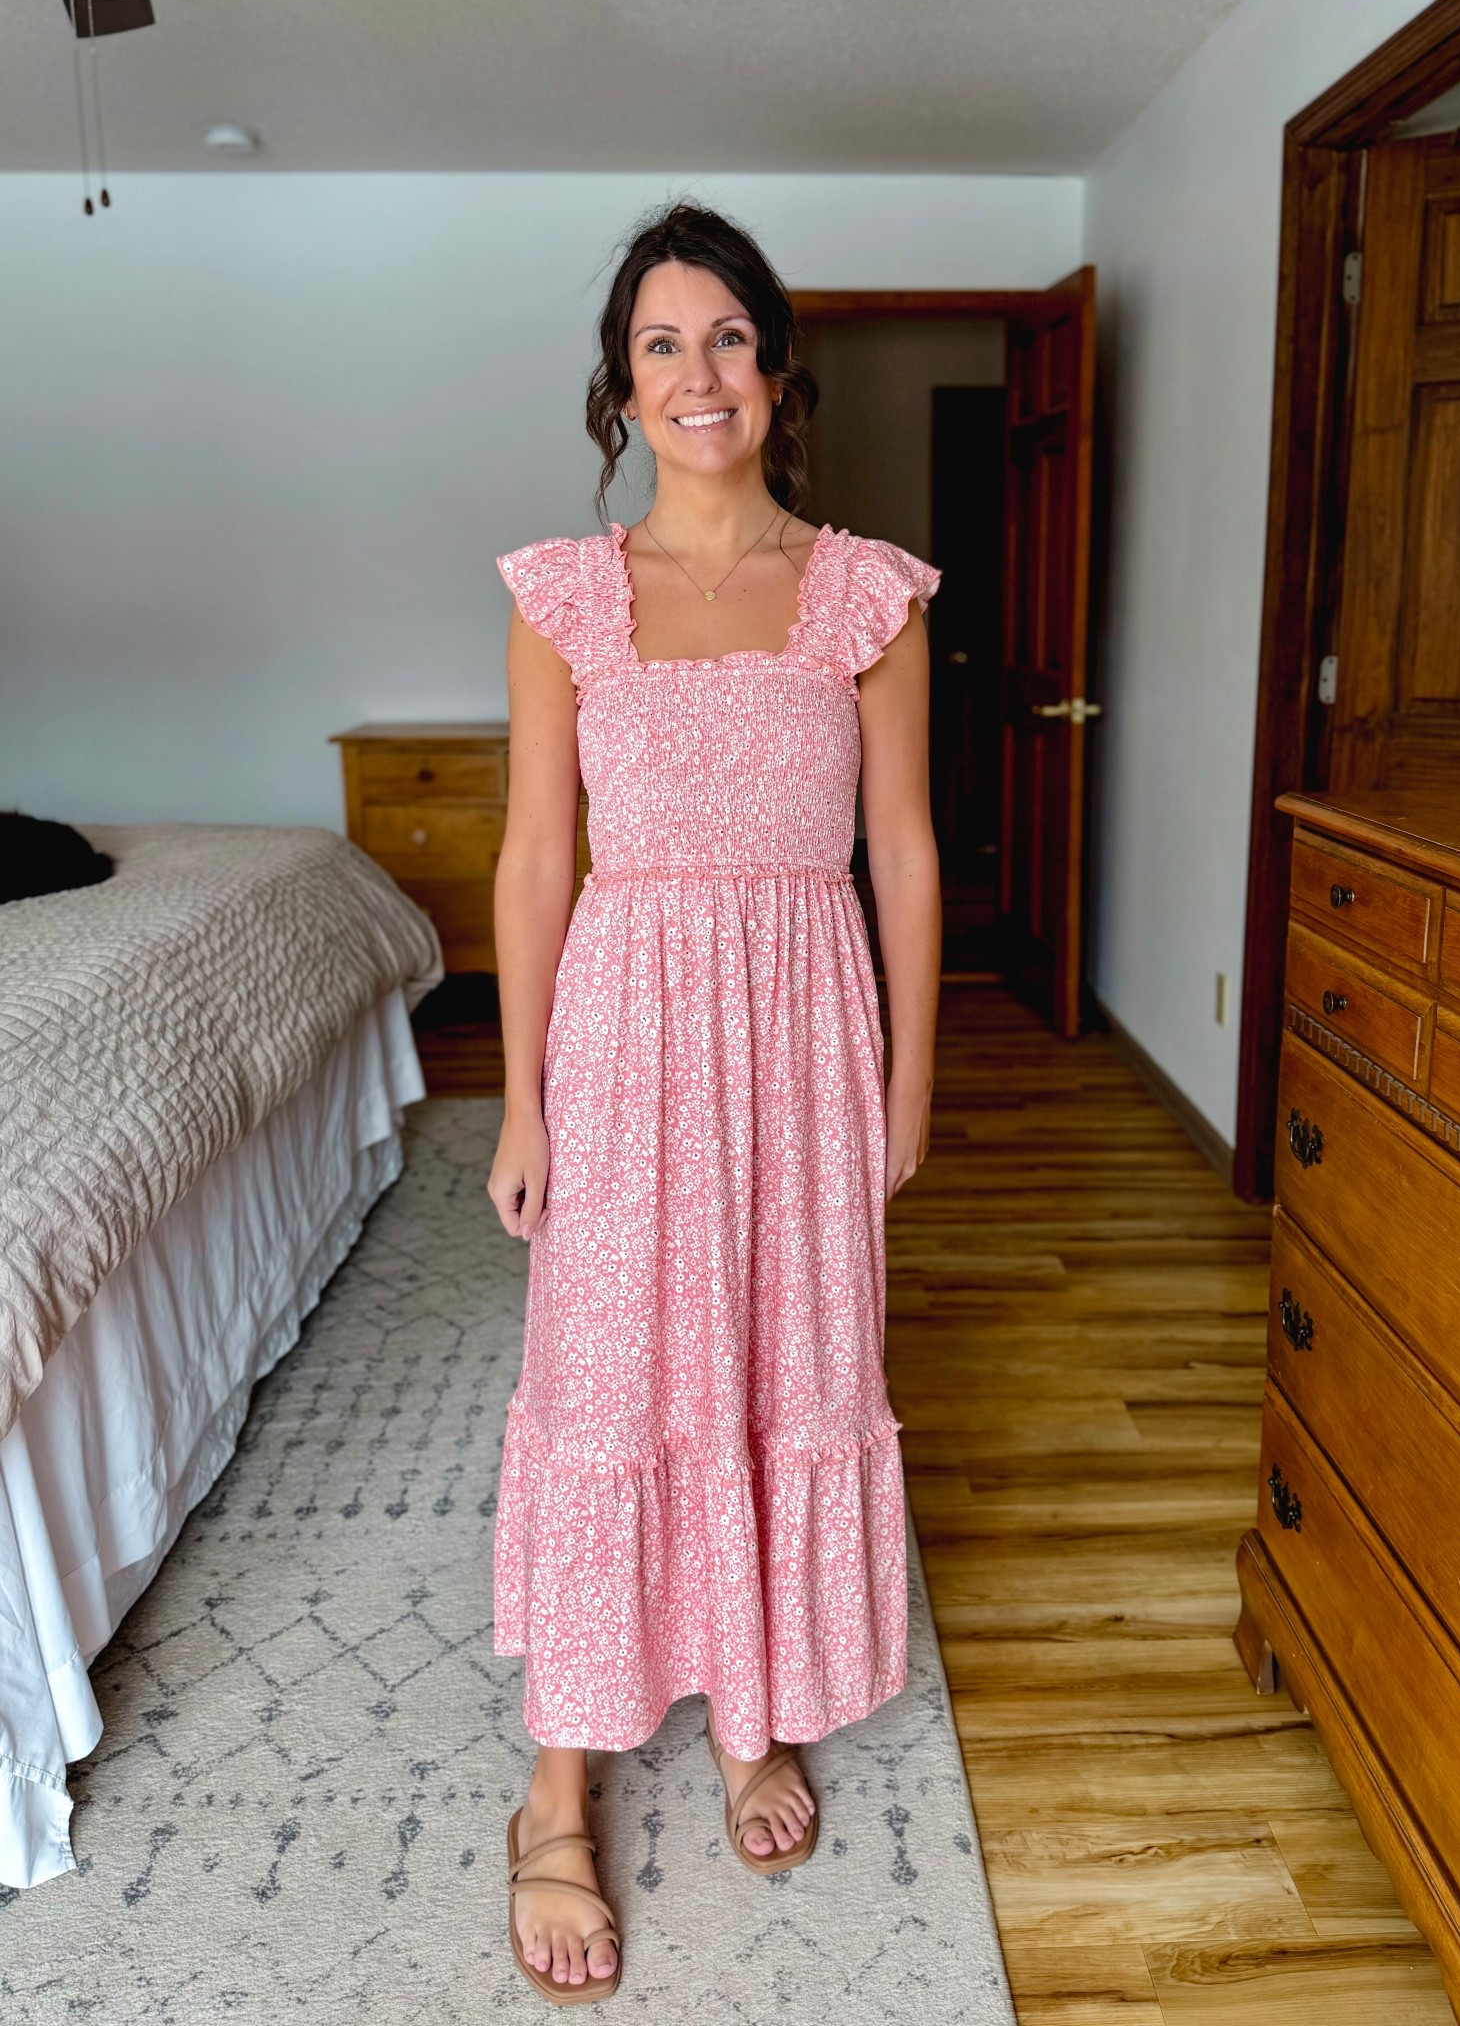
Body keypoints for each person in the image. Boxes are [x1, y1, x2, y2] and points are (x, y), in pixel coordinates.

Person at [486, 199, 942, 2006]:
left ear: (778, 371)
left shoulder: (866, 594)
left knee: (774, 1367)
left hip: (807, 1029)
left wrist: (914, 1071)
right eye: (663, 344)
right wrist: (518, 1101)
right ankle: (556, 1790)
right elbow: (535, 861)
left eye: (730, 338)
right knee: (606, 1379)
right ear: (620, 387)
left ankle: (755, 1712)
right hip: (625, 1031)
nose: (700, 374)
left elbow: (901, 852)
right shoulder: (562, 595)